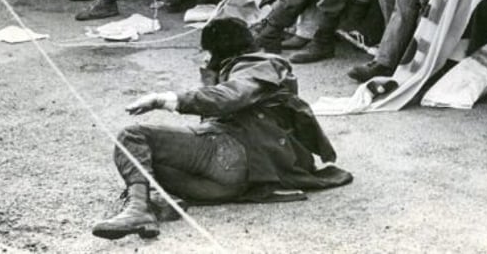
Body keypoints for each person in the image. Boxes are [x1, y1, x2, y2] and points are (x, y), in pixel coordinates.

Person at [91, 17, 352, 240]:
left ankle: (139, 209)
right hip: (235, 181)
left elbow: (229, 97)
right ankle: (148, 207)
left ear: (217, 50)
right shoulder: (250, 65)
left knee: (133, 136)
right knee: (142, 164)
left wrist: (166, 99)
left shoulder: (257, 64)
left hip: (238, 157)